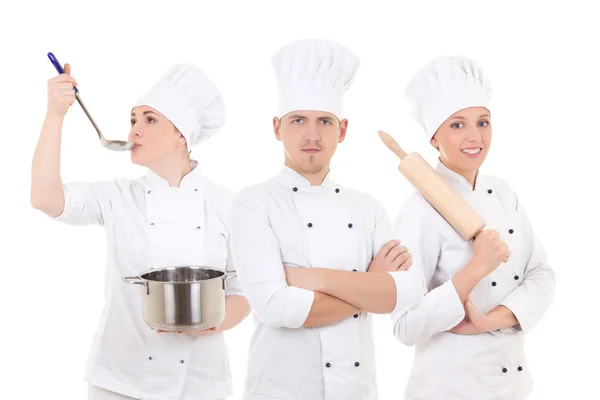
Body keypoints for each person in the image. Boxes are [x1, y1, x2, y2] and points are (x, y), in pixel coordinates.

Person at [31, 62, 250, 400]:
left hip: (199, 384)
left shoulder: (229, 206)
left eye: (150, 120)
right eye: (133, 120)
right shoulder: (118, 197)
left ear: (182, 135)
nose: (134, 131)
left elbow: (243, 292)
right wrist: (55, 116)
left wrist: (208, 323)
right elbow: (45, 198)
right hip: (118, 382)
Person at [229, 38, 424, 400]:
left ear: (343, 130)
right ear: (277, 128)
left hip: (356, 390)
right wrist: (371, 285)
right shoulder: (254, 204)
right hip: (279, 390)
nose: (312, 135)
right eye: (298, 120)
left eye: (324, 121)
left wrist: (313, 280)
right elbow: (275, 308)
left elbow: (407, 292)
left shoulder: (368, 208)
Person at [390, 55, 556, 399]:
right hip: (448, 387)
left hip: (513, 386)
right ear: (433, 138)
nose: (474, 136)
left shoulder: (503, 191)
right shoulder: (419, 209)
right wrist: (477, 268)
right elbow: (405, 325)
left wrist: (491, 319)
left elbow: (541, 275)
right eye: (457, 125)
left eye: (483, 122)